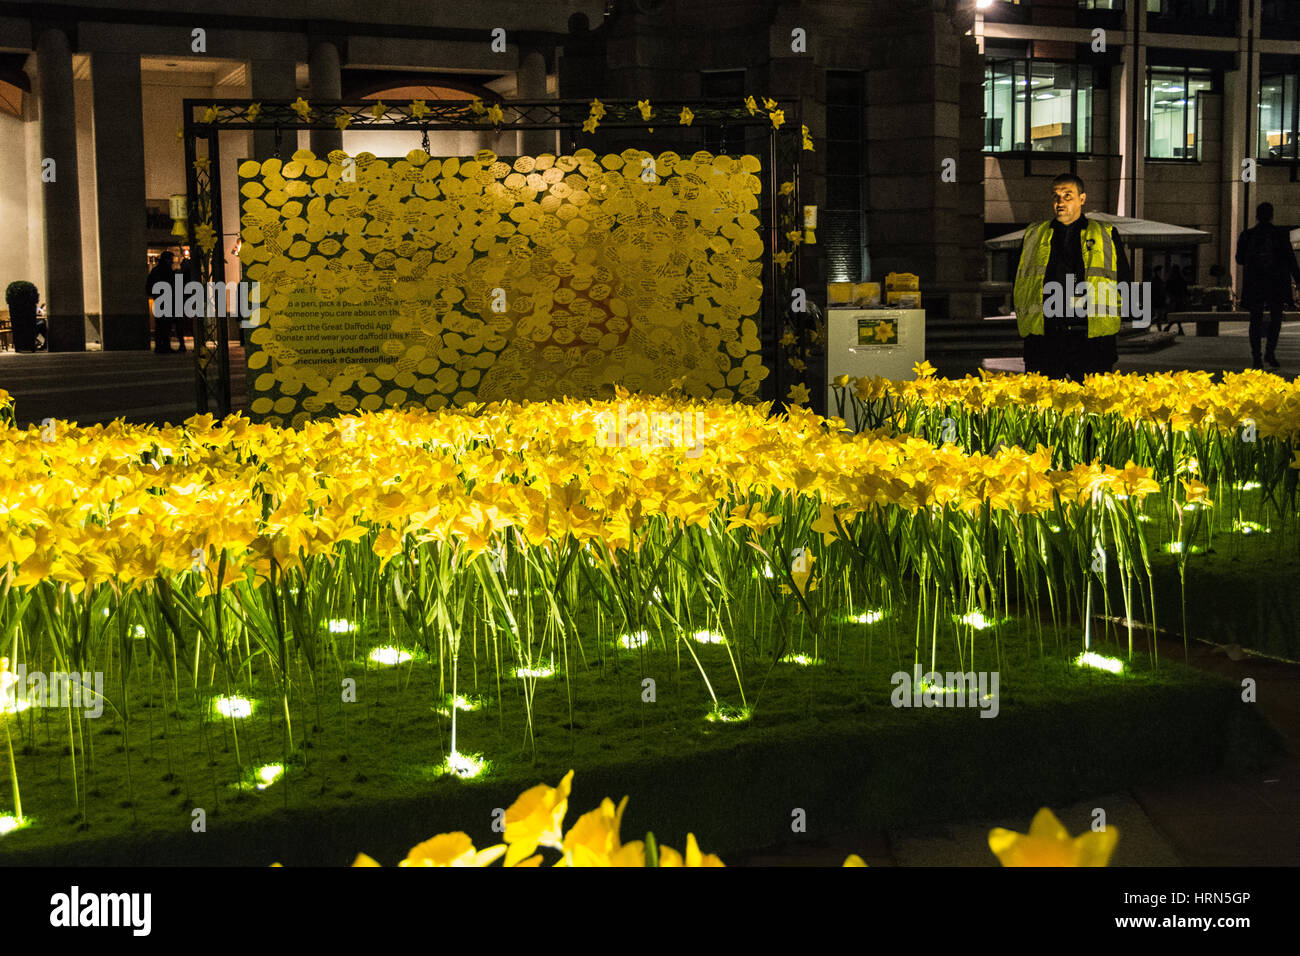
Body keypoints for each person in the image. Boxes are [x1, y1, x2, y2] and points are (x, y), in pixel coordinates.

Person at [1013, 173, 1133, 382]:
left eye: (1067, 196)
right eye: (1056, 196)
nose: (1060, 202)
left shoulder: (1105, 233)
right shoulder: (1033, 234)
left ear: (1082, 199)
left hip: (1091, 338)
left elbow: (1123, 280)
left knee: (1093, 406)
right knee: (1042, 407)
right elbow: (1020, 280)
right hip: (1045, 337)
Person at [1235, 201, 1300, 369]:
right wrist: (1298, 280)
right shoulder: (1279, 235)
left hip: (1255, 282)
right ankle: (1270, 351)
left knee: (1255, 319)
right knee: (1276, 318)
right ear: (1271, 215)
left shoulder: (1247, 235)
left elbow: (1239, 259)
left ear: (1257, 215)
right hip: (1276, 283)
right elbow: (1290, 260)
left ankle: (1256, 356)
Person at [147, 250, 177, 353]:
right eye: (171, 260)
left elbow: (149, 285)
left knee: (160, 324)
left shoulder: (155, 270)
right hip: (166, 300)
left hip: (159, 299)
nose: (172, 262)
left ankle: (159, 346)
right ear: (167, 260)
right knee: (165, 325)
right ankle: (165, 347)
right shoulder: (167, 271)